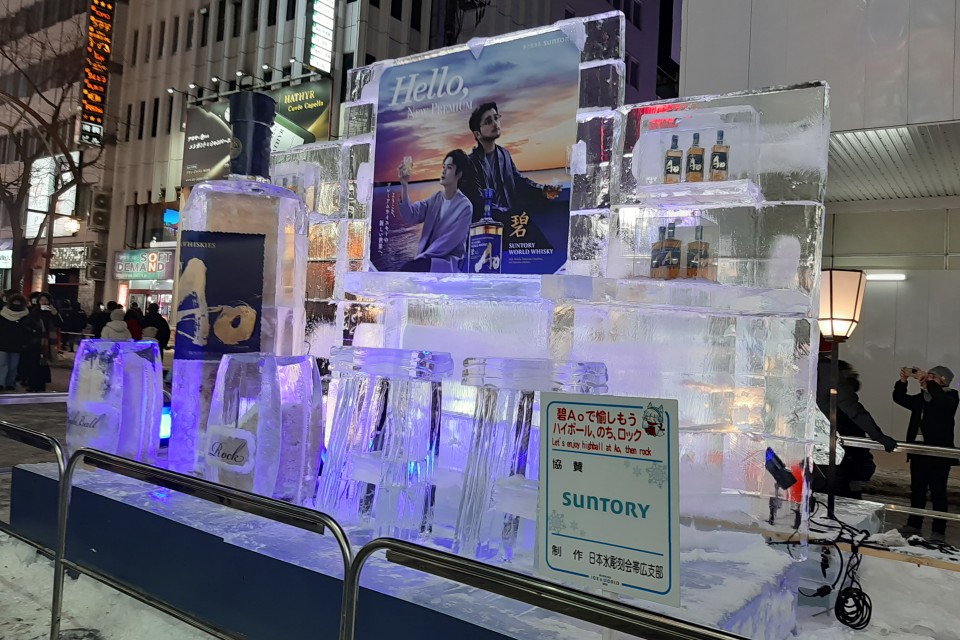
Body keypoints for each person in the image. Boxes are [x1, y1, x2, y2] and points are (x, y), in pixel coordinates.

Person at [815, 351, 897, 499]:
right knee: (838, 495)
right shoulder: (828, 372)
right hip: (831, 452)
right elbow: (854, 411)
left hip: (804, 451)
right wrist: (878, 436)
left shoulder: (795, 366)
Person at [894, 365, 960, 540]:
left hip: (938, 455)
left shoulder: (950, 397)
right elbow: (900, 398)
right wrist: (903, 382)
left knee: (938, 493)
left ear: (943, 380)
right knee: (917, 490)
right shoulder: (921, 399)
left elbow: (940, 401)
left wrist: (928, 382)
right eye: (927, 376)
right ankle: (913, 525)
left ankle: (939, 531)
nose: (926, 380)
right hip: (918, 451)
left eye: (932, 376)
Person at [466, 102, 561, 218]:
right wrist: (505, 213)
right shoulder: (470, 163)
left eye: (496, 118)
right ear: (477, 134)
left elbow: (518, 181)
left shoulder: (504, 154)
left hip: (510, 219)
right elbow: (477, 199)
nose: (495, 123)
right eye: (488, 121)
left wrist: (543, 189)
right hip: (488, 223)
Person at [396, 149, 474, 273]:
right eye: (443, 167)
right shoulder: (435, 198)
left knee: (408, 269)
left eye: (449, 168)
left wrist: (420, 258)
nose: (443, 171)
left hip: (447, 264)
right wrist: (404, 185)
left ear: (459, 174)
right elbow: (410, 215)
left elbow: (448, 242)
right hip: (425, 260)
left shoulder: (465, 207)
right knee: (406, 270)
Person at [21, 293, 61, 392]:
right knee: (33, 363)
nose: (44, 302)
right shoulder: (34, 312)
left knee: (43, 363)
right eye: (42, 300)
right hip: (35, 342)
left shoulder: (52, 313)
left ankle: (41, 385)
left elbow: (60, 324)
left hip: (47, 342)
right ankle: (32, 385)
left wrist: (55, 314)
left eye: (46, 300)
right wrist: (34, 331)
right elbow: (26, 325)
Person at [0, 294, 29, 390]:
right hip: (2, 343)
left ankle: (10, 383)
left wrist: (25, 343)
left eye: (18, 302)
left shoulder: (25, 316)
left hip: (17, 344)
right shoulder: (2, 314)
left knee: (13, 365)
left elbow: (26, 331)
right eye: (15, 301)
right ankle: (1, 383)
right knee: (2, 364)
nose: (16, 304)